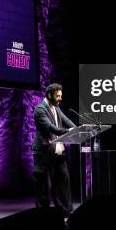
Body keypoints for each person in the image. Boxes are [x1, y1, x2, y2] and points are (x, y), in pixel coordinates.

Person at [33, 83, 77, 216]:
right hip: (44, 152)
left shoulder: (56, 107)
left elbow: (66, 119)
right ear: (49, 95)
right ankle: (43, 215)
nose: (60, 98)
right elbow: (50, 127)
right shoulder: (40, 109)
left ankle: (65, 212)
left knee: (63, 180)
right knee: (44, 186)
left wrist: (77, 130)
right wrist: (67, 131)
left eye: (61, 96)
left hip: (58, 151)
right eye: (57, 96)